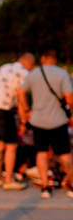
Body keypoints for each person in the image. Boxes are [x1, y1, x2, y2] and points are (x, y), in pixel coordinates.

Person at [17, 47, 73, 200]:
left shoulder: (34, 73)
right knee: (65, 155)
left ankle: (45, 187)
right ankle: (72, 185)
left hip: (38, 120)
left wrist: (27, 110)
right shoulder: (62, 74)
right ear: (55, 59)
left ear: (43, 58)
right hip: (58, 120)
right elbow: (69, 98)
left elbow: (20, 92)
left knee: (41, 153)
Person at [0, 53, 34, 189]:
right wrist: (24, 121)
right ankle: (9, 180)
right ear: (30, 65)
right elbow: (21, 98)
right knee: (11, 145)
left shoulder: (4, 67)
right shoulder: (24, 73)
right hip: (3, 109)